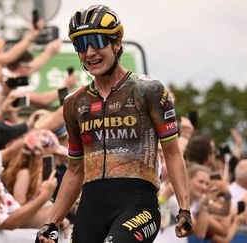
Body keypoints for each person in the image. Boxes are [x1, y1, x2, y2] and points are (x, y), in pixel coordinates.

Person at [37, 5, 192, 243]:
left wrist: (184, 207)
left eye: (97, 41)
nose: (89, 52)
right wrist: (51, 223)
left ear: (116, 43)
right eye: (81, 45)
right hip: (91, 206)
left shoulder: (149, 90)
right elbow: (75, 169)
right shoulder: (74, 103)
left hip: (139, 202)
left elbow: (172, 152)